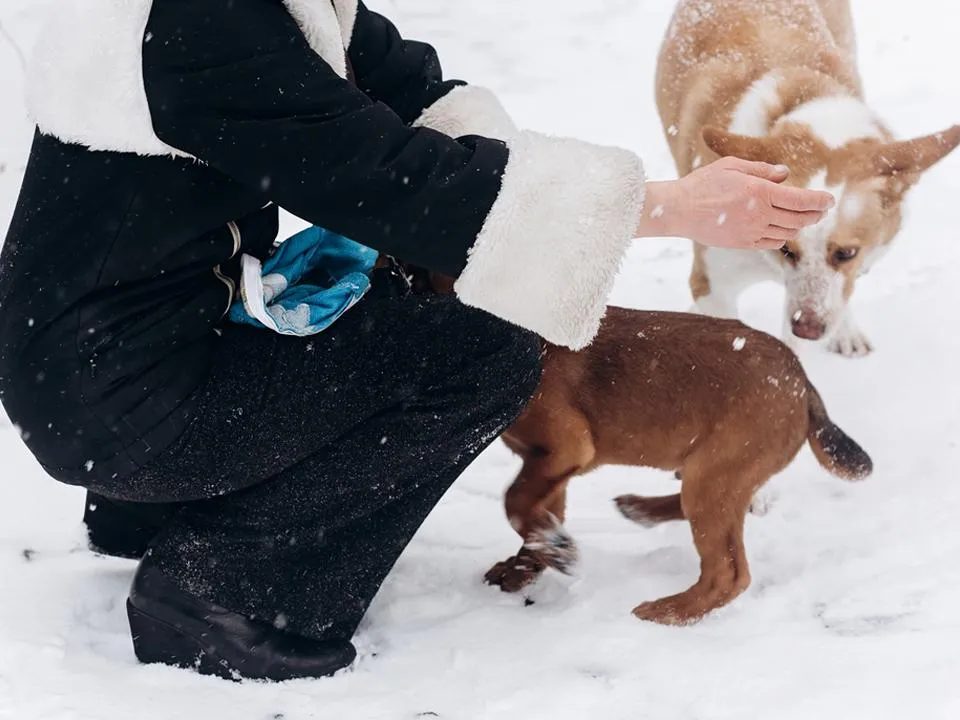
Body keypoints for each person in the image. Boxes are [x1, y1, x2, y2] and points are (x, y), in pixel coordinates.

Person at [0, 0, 834, 682]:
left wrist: (578, 197)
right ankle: (223, 591)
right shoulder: (205, 21)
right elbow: (385, 176)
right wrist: (663, 207)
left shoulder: (256, 9)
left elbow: (419, 100)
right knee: (485, 351)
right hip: (116, 400)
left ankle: (160, 510)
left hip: (122, 365)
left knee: (408, 291)